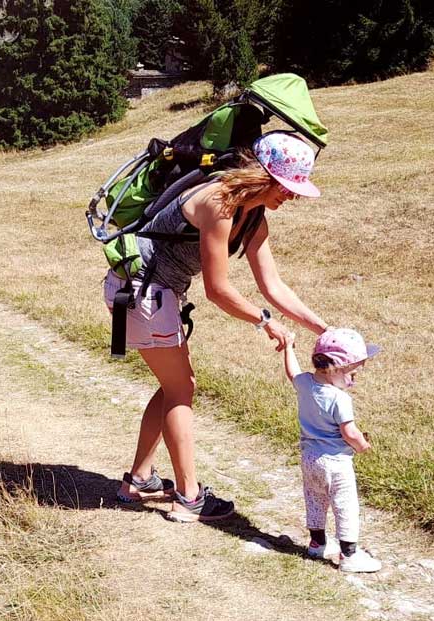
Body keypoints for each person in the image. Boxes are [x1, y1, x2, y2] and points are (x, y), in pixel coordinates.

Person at [106, 131, 329, 522]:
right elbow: (218, 289)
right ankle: (189, 497)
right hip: (143, 290)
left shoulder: (253, 215)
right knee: (181, 388)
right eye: (287, 186)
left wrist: (319, 326)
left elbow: (272, 284)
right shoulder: (219, 201)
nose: (291, 196)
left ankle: (140, 479)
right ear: (265, 176)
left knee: (175, 385)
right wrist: (265, 323)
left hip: (157, 293)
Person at [282, 328, 382, 573]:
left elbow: (292, 372)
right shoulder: (339, 399)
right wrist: (362, 446)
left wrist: (288, 347)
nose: (354, 380)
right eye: (352, 374)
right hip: (336, 462)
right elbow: (350, 433)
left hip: (309, 458)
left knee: (315, 500)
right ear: (334, 368)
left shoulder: (305, 383)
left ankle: (317, 543)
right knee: (345, 505)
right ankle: (349, 555)